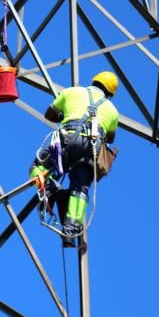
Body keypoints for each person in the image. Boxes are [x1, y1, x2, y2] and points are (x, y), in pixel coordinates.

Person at [29, 71, 119, 240]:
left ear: (94, 81)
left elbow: (49, 114)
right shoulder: (113, 111)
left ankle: (49, 189)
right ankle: (71, 231)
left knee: (38, 167)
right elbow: (110, 138)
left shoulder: (72, 91)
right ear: (110, 93)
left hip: (67, 140)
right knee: (80, 188)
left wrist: (66, 115)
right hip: (91, 150)